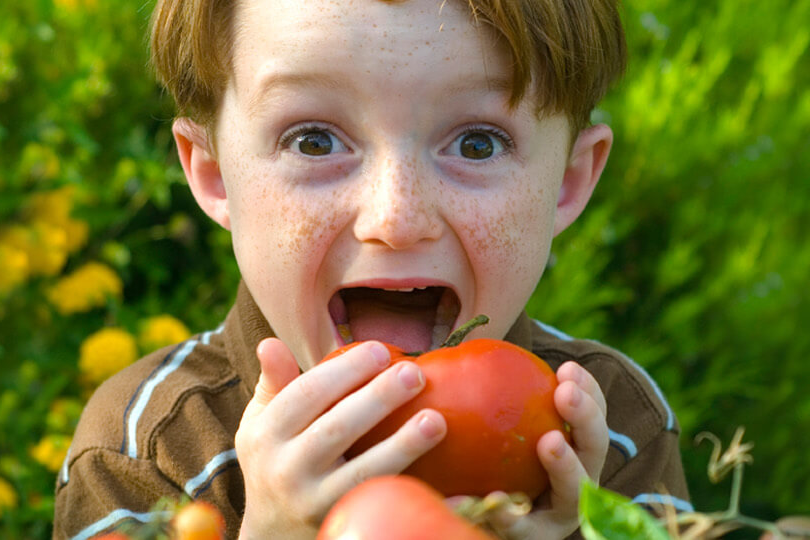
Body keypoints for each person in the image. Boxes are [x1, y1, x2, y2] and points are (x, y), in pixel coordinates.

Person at [54, 0, 689, 538]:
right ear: (215, 175)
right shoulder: (146, 450)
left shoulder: (616, 434)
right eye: (313, 140)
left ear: (567, 183)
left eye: (476, 143)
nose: (396, 218)